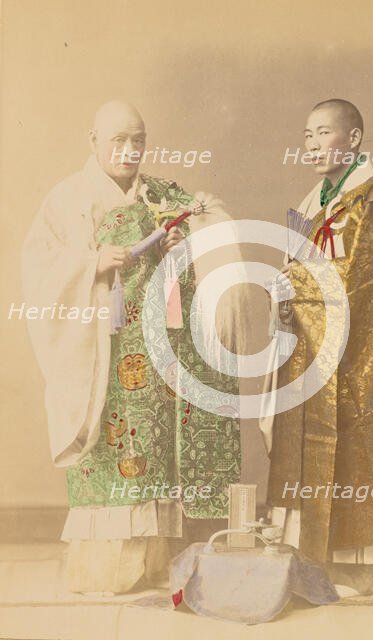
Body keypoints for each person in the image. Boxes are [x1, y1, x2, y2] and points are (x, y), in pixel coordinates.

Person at [22, 100, 245, 595]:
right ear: (93, 140)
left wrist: (182, 244)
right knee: (113, 451)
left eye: (137, 141)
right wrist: (93, 263)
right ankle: (108, 569)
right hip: (102, 350)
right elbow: (39, 272)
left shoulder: (161, 195)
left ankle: (153, 562)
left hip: (158, 349)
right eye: (117, 141)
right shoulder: (68, 200)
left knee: (156, 452)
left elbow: (207, 226)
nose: (128, 151)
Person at [263, 99, 373, 596]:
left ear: (355, 140)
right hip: (313, 351)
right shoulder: (316, 200)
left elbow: (364, 283)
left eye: (324, 133)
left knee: (355, 446)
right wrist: (285, 290)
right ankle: (315, 559)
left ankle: (358, 567)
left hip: (362, 354)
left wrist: (293, 284)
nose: (313, 145)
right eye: (307, 136)